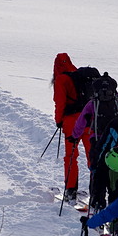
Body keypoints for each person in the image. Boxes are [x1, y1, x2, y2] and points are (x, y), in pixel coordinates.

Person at [52, 53, 92, 202]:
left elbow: (60, 103)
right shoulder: (81, 76)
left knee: (71, 156)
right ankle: (95, 191)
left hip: (72, 123)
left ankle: (70, 190)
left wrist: (59, 121)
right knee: (92, 155)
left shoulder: (62, 80)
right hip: (89, 120)